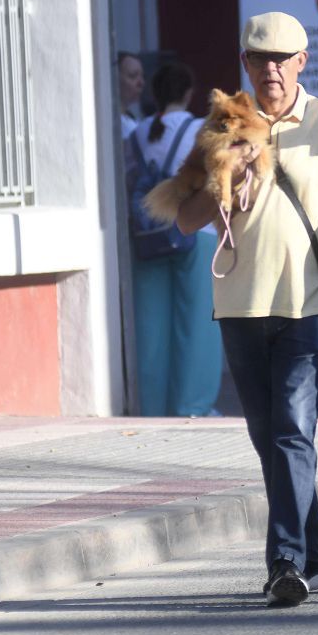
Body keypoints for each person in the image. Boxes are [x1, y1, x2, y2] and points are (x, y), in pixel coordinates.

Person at [175, 12, 318, 606]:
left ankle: (285, 562)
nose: (271, 68)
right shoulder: (223, 124)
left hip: (308, 305)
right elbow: (184, 219)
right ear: (244, 63)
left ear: (302, 62)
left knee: (294, 432)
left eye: (283, 58)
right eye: (259, 58)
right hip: (237, 306)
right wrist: (226, 179)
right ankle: (315, 554)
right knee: (271, 440)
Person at [125, 62, 223, 417]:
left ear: (155, 94)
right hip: (196, 232)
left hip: (148, 233)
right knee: (197, 323)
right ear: (188, 93)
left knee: (151, 324)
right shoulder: (201, 128)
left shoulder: (136, 133)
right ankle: (193, 405)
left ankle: (152, 405)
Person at [118, 51, 145, 139]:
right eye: (133, 76)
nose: (141, 83)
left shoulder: (130, 117)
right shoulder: (112, 122)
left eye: (142, 76)